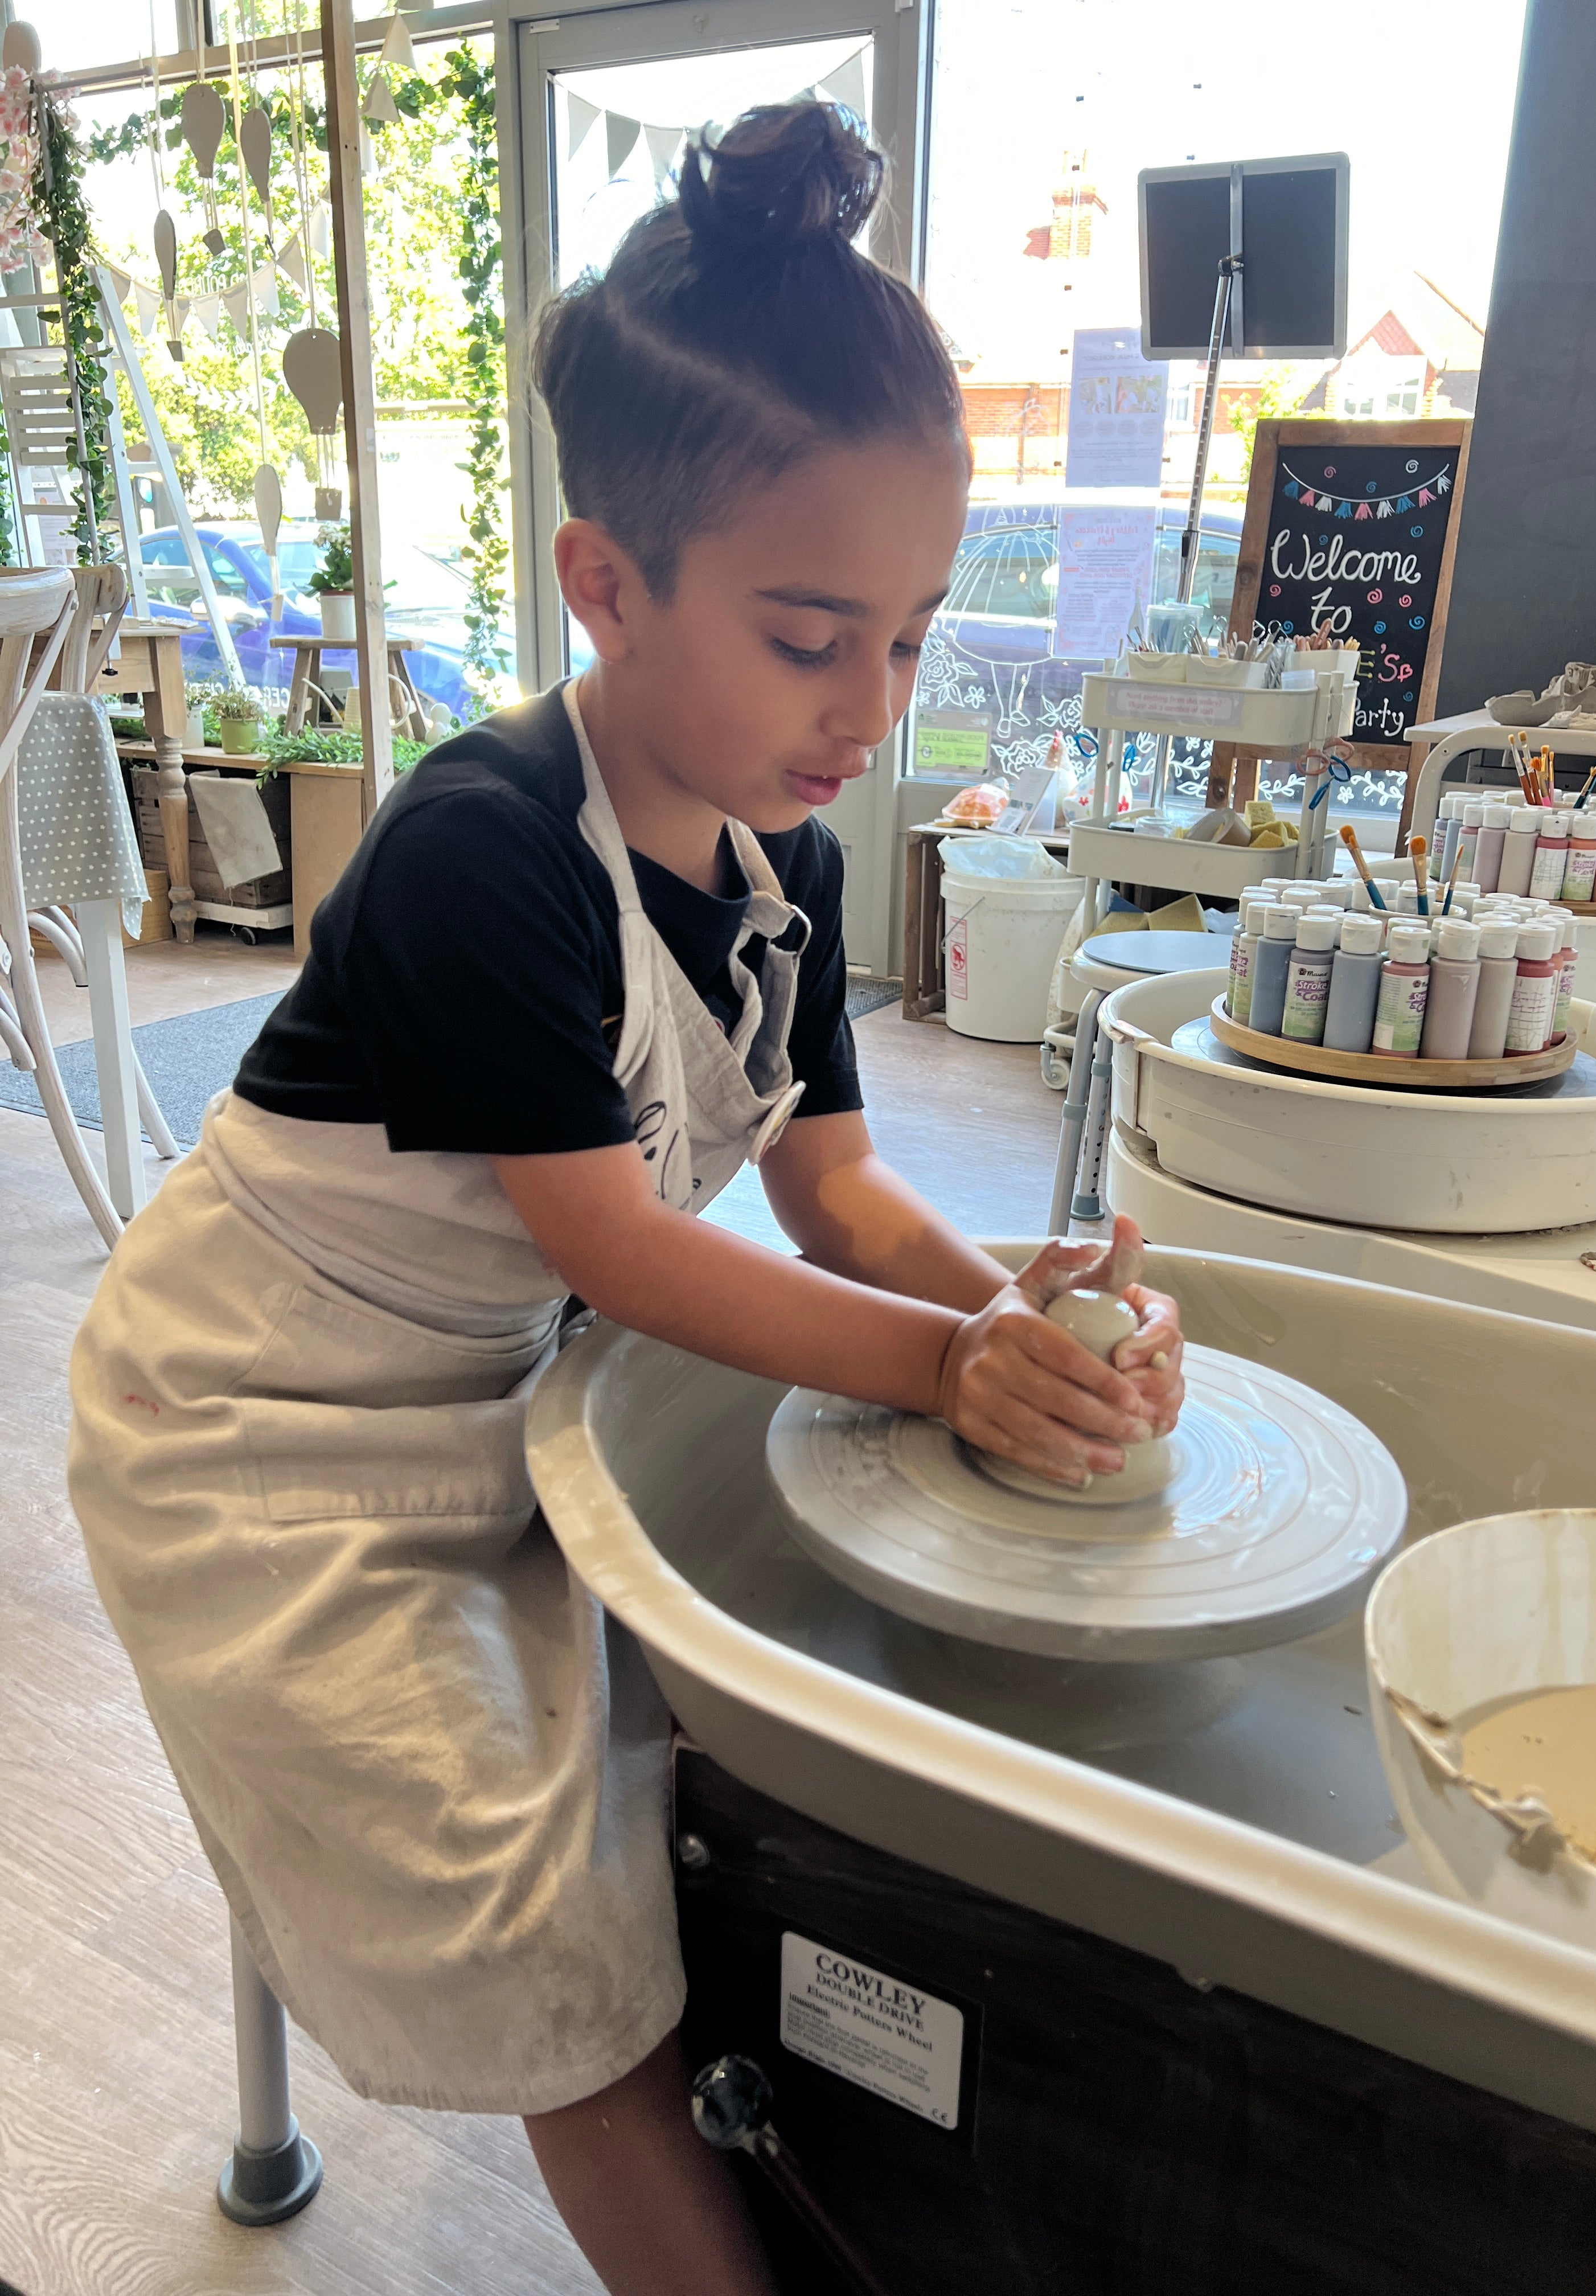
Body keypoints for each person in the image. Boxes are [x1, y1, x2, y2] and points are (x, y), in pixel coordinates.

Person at [68, 100, 1184, 2295]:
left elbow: (846, 1198)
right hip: (259, 1441)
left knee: (770, 1738)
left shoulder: (792, 854)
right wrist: (963, 1368)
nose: (870, 708)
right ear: (606, 578)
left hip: (497, 1392)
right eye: (807, 636)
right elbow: (636, 1258)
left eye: (916, 638)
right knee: (557, 1942)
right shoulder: (485, 847)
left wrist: (1032, 1327)